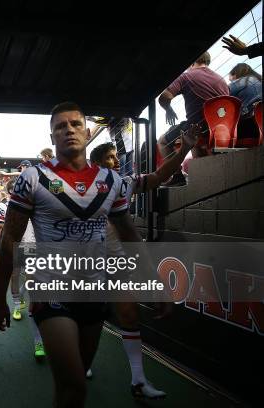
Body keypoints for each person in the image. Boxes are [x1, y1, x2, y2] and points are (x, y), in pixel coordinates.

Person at [0, 102, 150, 407]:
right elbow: (10, 238)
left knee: (76, 382)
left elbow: (128, 233)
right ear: (52, 137)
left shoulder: (111, 181)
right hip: (52, 289)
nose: (69, 130)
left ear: (88, 132)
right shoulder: (32, 179)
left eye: (75, 124)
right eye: (61, 126)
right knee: (74, 385)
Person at [88, 124, 199, 399]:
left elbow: (160, 175)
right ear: (96, 163)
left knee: (128, 316)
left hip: (116, 261)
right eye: (111, 157)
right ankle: (82, 365)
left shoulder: (124, 183)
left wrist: (185, 148)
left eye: (116, 156)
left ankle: (138, 381)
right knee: (86, 322)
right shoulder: (80, 187)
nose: (117, 161)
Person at [157, 52, 228, 186]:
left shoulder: (187, 76)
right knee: (194, 141)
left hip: (197, 126)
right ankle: (204, 179)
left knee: (162, 141)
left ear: (191, 62)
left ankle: (177, 176)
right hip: (220, 129)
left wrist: (168, 109)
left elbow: (164, 98)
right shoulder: (221, 80)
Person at [0, 182, 45, 359]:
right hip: (16, 244)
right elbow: (0, 227)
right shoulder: (5, 206)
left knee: (32, 283)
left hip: (34, 246)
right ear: (10, 191)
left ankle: (38, 339)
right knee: (15, 276)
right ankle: (17, 304)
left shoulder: (37, 202)